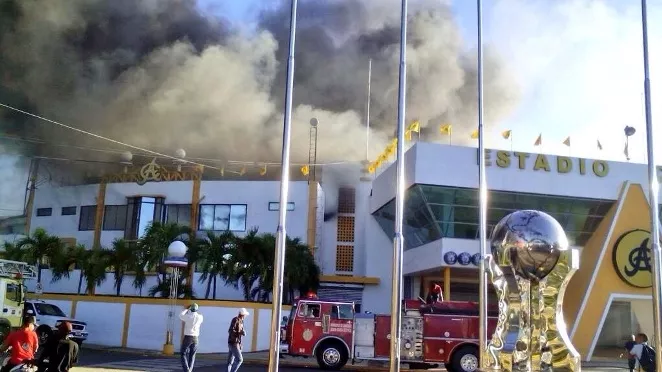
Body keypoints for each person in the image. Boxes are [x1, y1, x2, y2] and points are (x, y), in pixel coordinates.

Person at [180, 303, 204, 372]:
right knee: (192, 355)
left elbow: (180, 315)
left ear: (191, 309)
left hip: (188, 337)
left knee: (183, 353)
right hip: (196, 338)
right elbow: (199, 315)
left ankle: (187, 370)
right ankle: (189, 370)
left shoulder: (188, 316)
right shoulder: (200, 317)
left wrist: (186, 309)